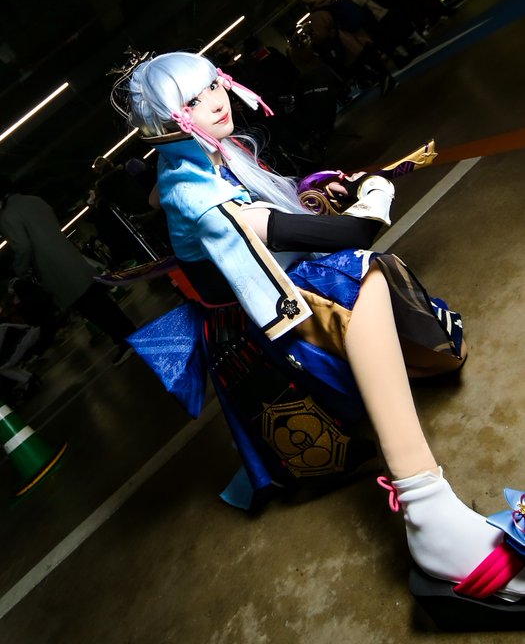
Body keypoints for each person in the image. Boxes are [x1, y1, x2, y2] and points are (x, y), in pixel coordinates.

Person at [110, 49, 525, 625]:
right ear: (169, 122)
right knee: (359, 275)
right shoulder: (190, 190)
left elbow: (280, 219)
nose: (215, 102)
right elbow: (350, 235)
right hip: (261, 328)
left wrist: (316, 191)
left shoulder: (211, 152)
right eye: (193, 100)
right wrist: (373, 194)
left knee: (428, 344)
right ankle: (430, 518)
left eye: (213, 86)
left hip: (274, 297)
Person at [0, 185, 137, 365]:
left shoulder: (7, 215)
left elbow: (23, 247)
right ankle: (130, 333)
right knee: (101, 302)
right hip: (70, 257)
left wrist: (19, 269)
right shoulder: (34, 200)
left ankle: (125, 341)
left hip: (53, 267)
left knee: (92, 309)